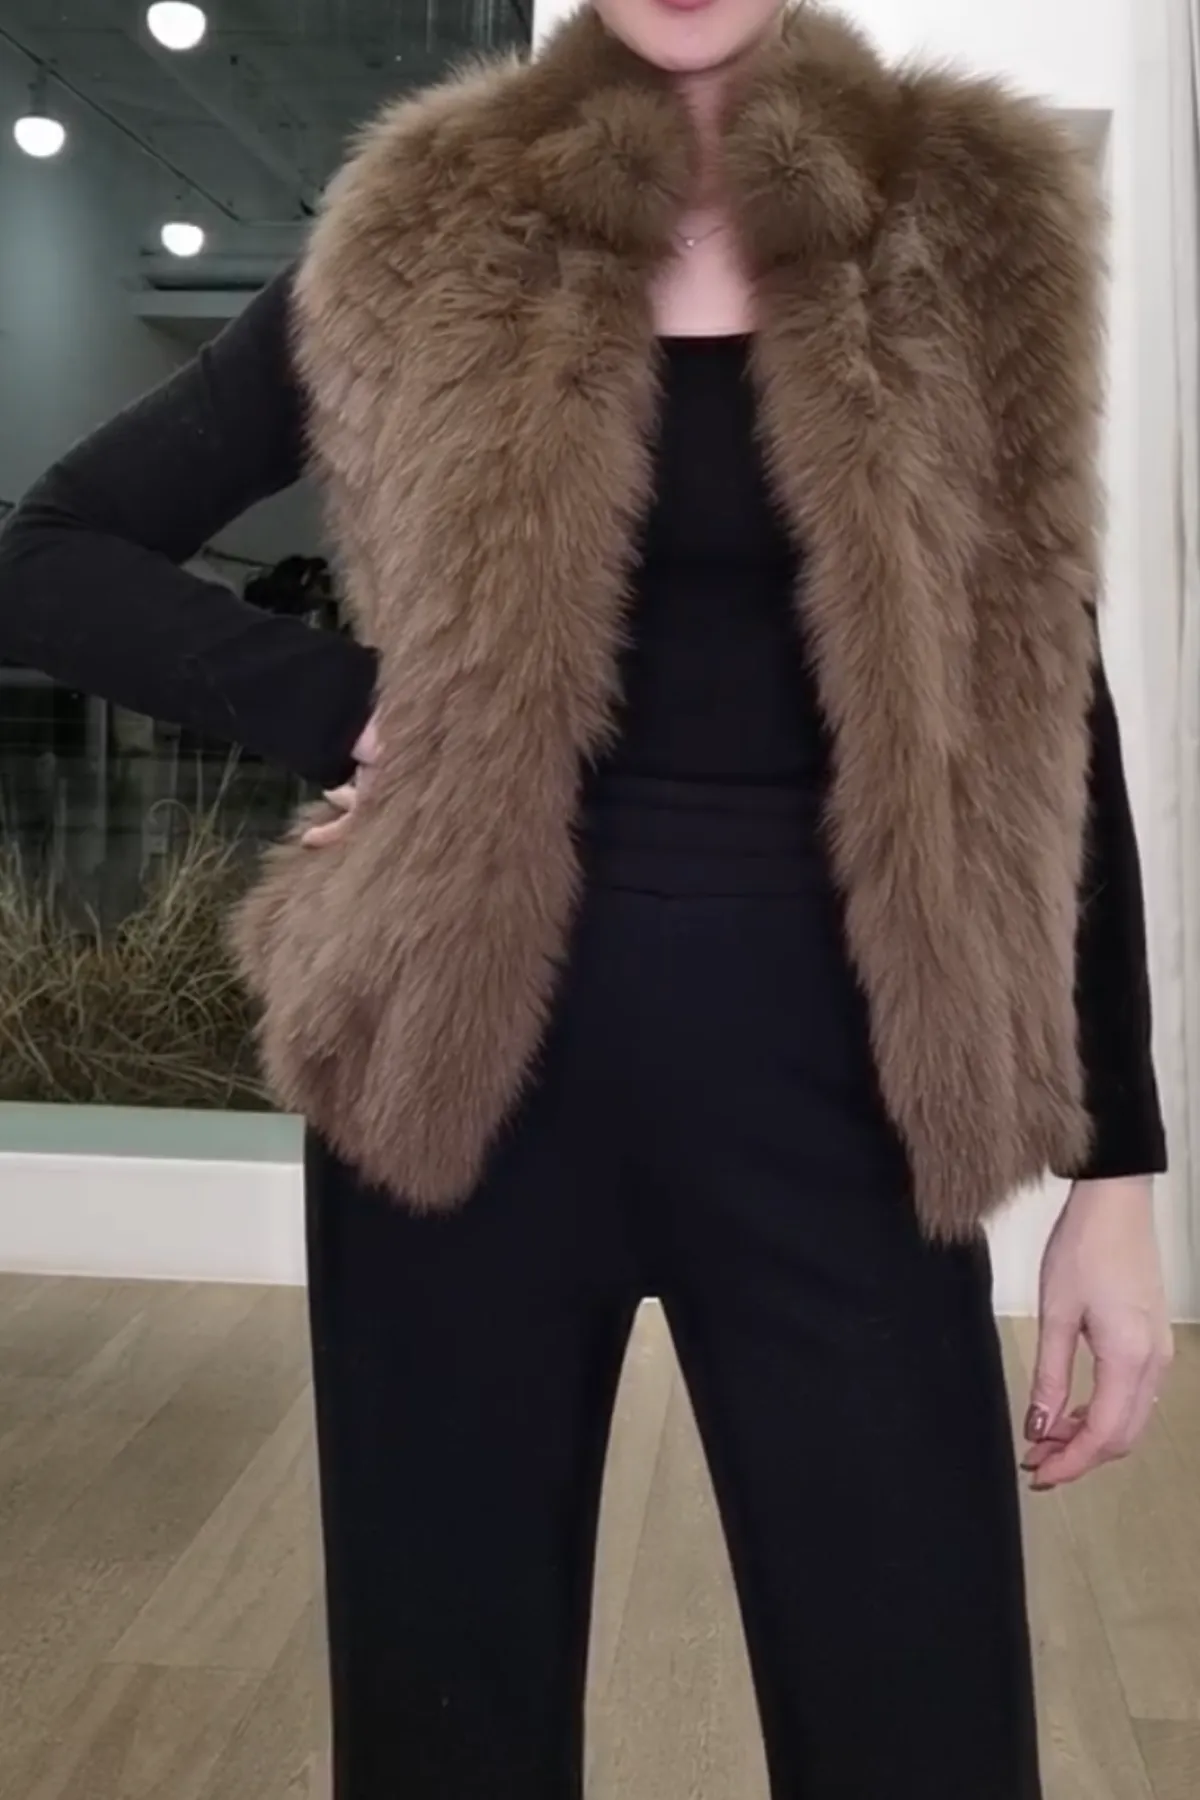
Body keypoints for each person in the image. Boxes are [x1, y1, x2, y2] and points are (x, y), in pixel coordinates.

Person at [0, 2, 1174, 1795]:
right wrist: (347, 705)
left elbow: (1046, 706)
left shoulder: (968, 211)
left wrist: (1118, 1179)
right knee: (446, 1722)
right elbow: (52, 552)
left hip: (844, 1091)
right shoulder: (425, 224)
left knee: (919, 1720)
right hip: (458, 1089)